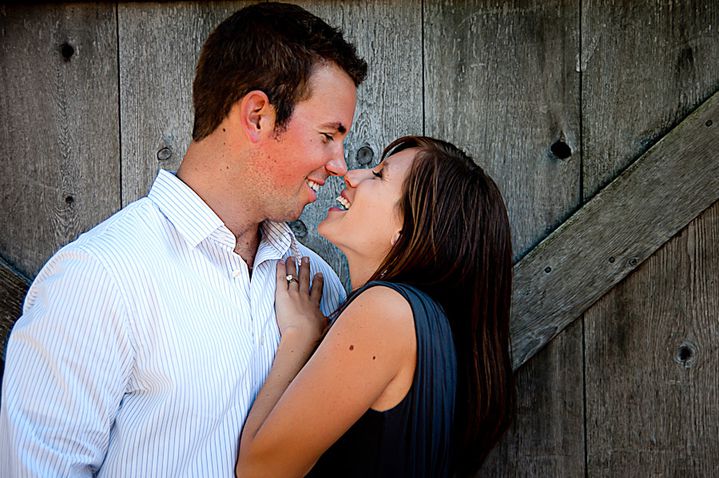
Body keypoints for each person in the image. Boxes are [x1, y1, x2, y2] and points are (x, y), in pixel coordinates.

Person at [0, 3, 367, 476]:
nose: (339, 163)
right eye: (327, 135)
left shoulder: (315, 283)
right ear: (257, 115)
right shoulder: (98, 278)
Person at [235, 136, 516, 477]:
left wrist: (300, 333)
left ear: (407, 228)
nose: (352, 175)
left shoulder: (385, 311)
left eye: (379, 175)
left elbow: (259, 470)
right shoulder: (432, 325)